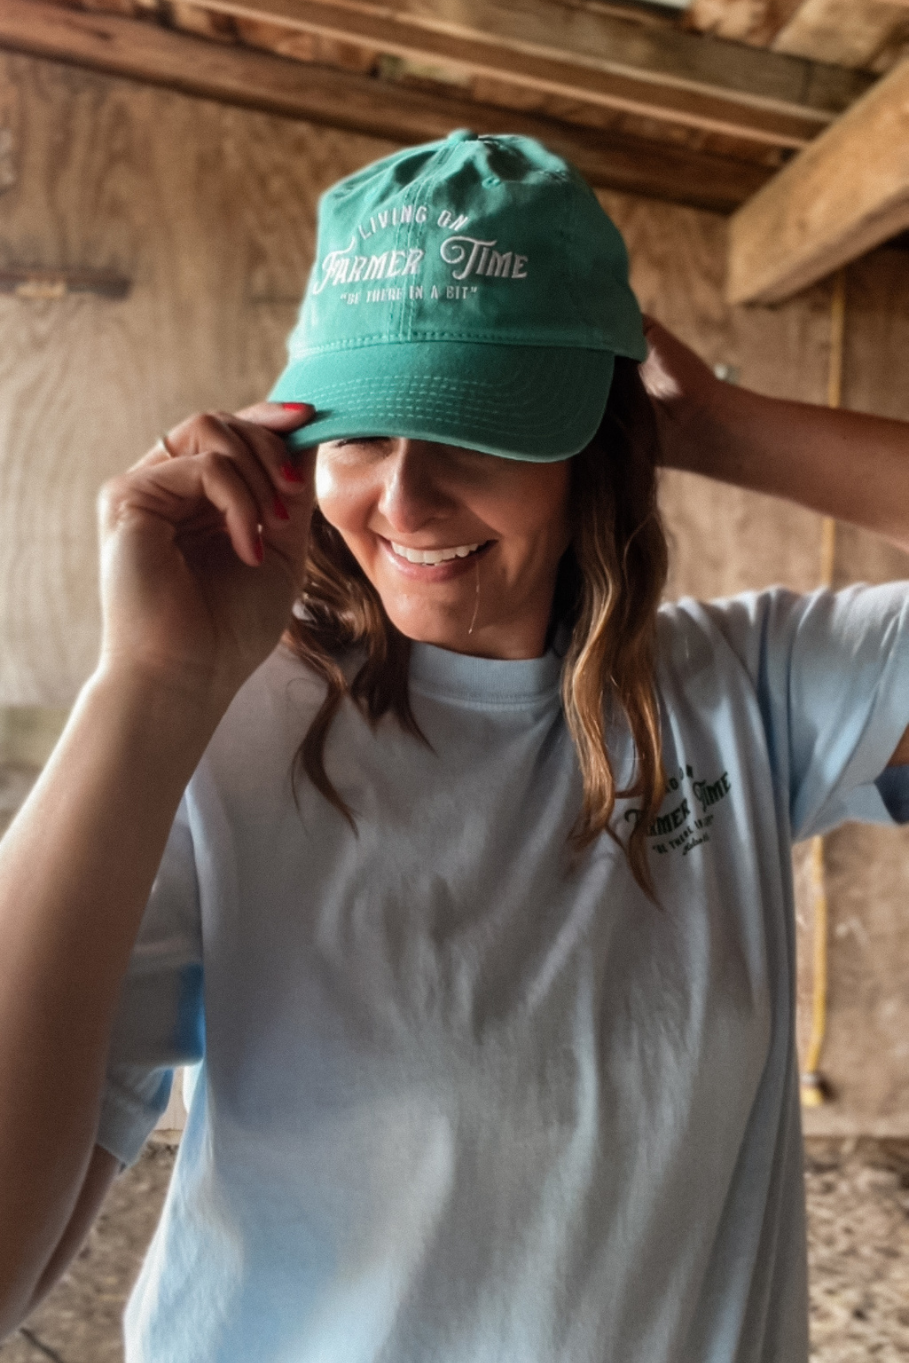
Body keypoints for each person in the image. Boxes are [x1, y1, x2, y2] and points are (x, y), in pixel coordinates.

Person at [0, 130, 908, 1363]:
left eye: (477, 426)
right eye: (360, 434)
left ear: (596, 447)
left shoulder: (746, 689)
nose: (405, 501)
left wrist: (724, 430)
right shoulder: (213, 731)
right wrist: (147, 685)